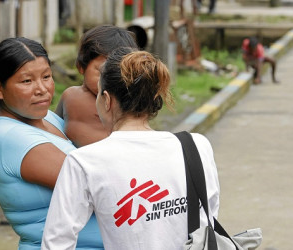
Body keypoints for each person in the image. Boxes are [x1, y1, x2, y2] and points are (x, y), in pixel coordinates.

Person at [42, 48, 220, 249]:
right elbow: (208, 220)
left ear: (107, 100)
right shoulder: (196, 146)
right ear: (153, 97)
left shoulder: (84, 162)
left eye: (99, 94)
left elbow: (56, 242)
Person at [0, 37, 103, 250]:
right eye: (27, 81)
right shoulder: (13, 139)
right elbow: (97, 187)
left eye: (46, 76)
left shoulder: (45, 117)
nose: (42, 89)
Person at [55, 25, 139, 147]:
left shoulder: (130, 102)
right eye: (102, 72)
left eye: (120, 73)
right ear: (81, 67)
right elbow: (52, 125)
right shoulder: (71, 96)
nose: (109, 80)